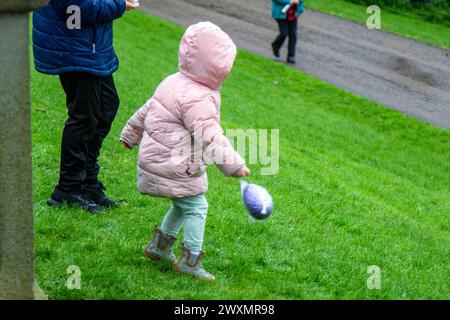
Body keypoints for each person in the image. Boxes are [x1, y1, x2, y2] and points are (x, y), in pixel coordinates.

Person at [120, 22, 251, 281]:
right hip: (175, 164)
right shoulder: (198, 98)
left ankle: (160, 246)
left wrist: (129, 134)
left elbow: (146, 110)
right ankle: (191, 259)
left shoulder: (173, 81)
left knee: (184, 203)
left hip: (159, 159)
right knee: (196, 206)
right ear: (216, 66)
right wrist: (234, 166)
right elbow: (211, 137)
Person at [32, 0, 138, 213]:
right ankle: (68, 188)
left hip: (89, 45)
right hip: (73, 46)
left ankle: (87, 181)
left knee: (106, 106)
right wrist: (119, 4)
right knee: (84, 116)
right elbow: (80, 8)